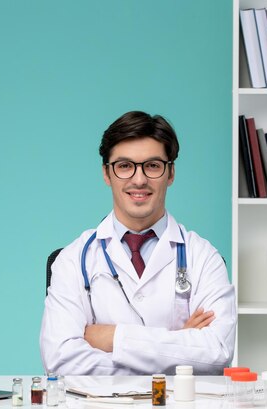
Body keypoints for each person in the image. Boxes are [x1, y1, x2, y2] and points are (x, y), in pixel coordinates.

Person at [40, 110, 236, 375]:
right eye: (124, 166)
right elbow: (62, 360)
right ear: (106, 175)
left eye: (153, 165)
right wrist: (178, 346)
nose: (139, 179)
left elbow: (217, 352)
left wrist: (113, 338)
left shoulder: (203, 257)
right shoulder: (73, 260)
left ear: (171, 174)